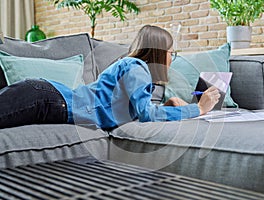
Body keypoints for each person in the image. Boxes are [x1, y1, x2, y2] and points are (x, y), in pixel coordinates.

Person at [0, 25, 220, 129]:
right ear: (160, 52)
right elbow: (146, 114)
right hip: (48, 98)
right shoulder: (136, 67)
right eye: (172, 53)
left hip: (48, 98)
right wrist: (198, 109)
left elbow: (138, 109)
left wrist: (170, 105)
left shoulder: (136, 70)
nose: (172, 58)